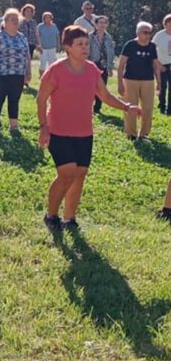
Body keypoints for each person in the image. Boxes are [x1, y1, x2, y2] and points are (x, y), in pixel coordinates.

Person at [38, 25, 140, 231]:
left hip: (84, 132)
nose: (85, 47)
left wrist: (126, 107)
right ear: (68, 47)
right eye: (79, 44)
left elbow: (105, 96)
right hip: (59, 131)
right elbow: (41, 100)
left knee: (80, 173)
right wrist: (43, 127)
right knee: (67, 173)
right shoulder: (56, 70)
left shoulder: (92, 69)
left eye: (86, 44)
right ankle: (51, 215)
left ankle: (69, 218)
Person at [0, 8, 30, 131]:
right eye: (12, 19)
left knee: (14, 99)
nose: (15, 21)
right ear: (5, 22)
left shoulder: (22, 37)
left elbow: (27, 55)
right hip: (0, 74)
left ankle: (14, 125)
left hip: (18, 73)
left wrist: (28, 71)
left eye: (17, 19)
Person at [117, 21, 161, 140]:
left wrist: (159, 82)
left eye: (150, 33)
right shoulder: (130, 45)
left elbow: (155, 65)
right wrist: (120, 83)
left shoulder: (152, 46)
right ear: (138, 33)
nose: (148, 35)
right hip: (130, 80)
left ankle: (144, 133)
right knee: (130, 107)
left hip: (148, 81)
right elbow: (121, 65)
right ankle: (131, 133)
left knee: (148, 108)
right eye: (145, 32)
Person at [89, 15, 115, 114]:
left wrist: (110, 68)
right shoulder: (90, 37)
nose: (102, 25)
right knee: (91, 86)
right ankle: (88, 106)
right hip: (92, 64)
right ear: (95, 25)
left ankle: (97, 107)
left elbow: (111, 53)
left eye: (104, 23)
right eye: (100, 22)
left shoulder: (109, 37)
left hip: (104, 65)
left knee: (102, 87)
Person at [152, 14, 171, 115]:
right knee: (162, 86)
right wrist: (158, 64)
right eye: (169, 22)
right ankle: (162, 106)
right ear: (165, 24)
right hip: (162, 65)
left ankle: (170, 109)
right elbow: (152, 49)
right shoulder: (159, 35)